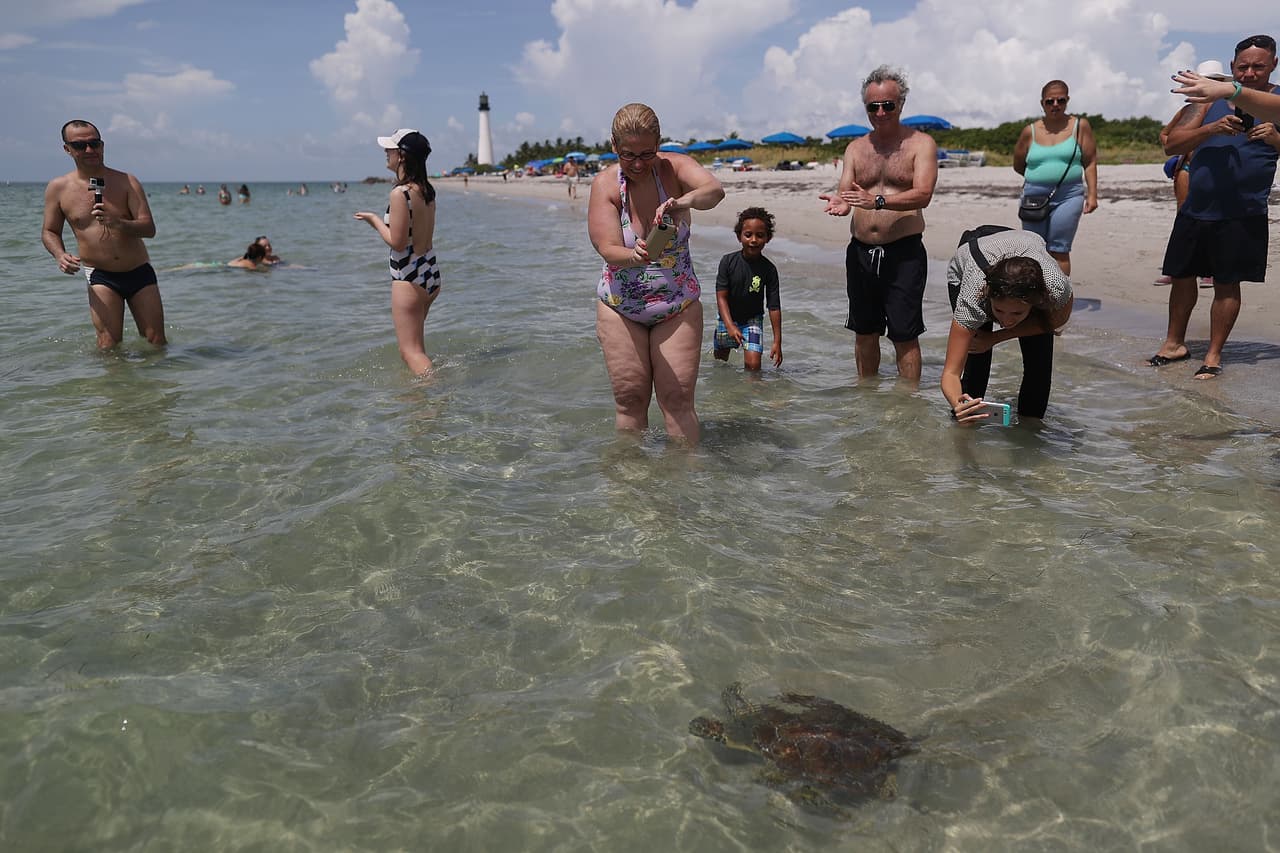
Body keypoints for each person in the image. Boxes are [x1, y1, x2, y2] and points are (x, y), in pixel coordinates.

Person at [588, 102, 725, 443]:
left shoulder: (674, 168)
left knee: (677, 400)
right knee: (630, 400)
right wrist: (632, 255)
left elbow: (714, 191)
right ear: (614, 146)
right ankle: (631, 488)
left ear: (659, 143)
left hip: (677, 307)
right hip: (621, 308)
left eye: (647, 154)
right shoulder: (605, 184)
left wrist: (682, 202)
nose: (637, 164)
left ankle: (683, 485)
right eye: (627, 154)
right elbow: (606, 247)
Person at [1149, 34, 1280, 379]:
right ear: (1232, 66)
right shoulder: (1210, 98)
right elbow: (1170, 145)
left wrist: (1276, 139)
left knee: (1226, 282)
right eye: (1243, 66)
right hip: (1197, 206)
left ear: (1274, 65)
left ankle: (1213, 354)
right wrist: (1210, 129)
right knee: (1181, 275)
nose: (1250, 73)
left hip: (1244, 209)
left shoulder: (1278, 101)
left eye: (1258, 66)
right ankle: (1174, 343)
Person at [820, 65, 937, 382]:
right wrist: (842, 202)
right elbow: (848, 191)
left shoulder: (921, 144)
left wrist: (879, 202)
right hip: (860, 252)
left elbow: (923, 194)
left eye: (889, 105)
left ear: (901, 104)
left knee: (904, 333)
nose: (881, 112)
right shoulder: (856, 148)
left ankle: (908, 406)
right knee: (864, 331)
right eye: (873, 106)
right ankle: (866, 398)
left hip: (904, 252)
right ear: (866, 108)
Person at [41, 119, 165, 348]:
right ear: (67, 149)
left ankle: (155, 384)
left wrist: (119, 223)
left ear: (103, 145)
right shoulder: (58, 188)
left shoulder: (126, 181)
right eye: (80, 145)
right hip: (100, 275)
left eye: (94, 143)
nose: (89, 150)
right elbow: (49, 231)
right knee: (108, 345)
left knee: (156, 342)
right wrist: (60, 255)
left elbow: (149, 229)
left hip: (138, 271)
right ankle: (111, 385)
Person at [942, 227, 1073, 424]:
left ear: (1034, 302)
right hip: (973, 255)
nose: (1007, 321)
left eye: (1017, 313)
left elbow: (1057, 321)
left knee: (1039, 363)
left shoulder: (1055, 286)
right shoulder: (973, 296)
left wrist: (996, 337)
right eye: (999, 311)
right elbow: (951, 373)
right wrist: (957, 403)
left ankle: (1031, 430)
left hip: (1022, 243)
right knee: (977, 358)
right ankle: (967, 420)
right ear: (989, 298)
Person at [354, 128, 442, 376]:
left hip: (409, 277)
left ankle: (434, 399)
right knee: (417, 348)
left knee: (410, 352)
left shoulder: (400, 193)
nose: (386, 152)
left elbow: (398, 242)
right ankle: (417, 401)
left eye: (390, 149)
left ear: (402, 156)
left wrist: (374, 220)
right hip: (430, 273)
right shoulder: (427, 190)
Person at [1012, 80, 1098, 277]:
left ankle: (1059, 299)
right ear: (1042, 103)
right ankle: (1037, 298)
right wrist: (1038, 177)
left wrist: (1092, 195)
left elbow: (1090, 161)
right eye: (1050, 101)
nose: (1056, 105)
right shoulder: (1029, 131)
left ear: (1067, 100)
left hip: (1069, 194)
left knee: (1059, 249)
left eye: (1061, 100)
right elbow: (1018, 164)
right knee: (1034, 250)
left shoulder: (1080, 126)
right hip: (1034, 196)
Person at [713, 207, 782, 371]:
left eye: (760, 235)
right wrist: (729, 326)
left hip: (752, 321)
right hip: (727, 319)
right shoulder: (727, 262)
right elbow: (721, 297)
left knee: (753, 366)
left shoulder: (769, 269)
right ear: (739, 237)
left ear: (768, 238)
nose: (753, 240)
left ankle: (754, 394)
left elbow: (774, 307)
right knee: (720, 366)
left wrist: (777, 342)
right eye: (748, 234)